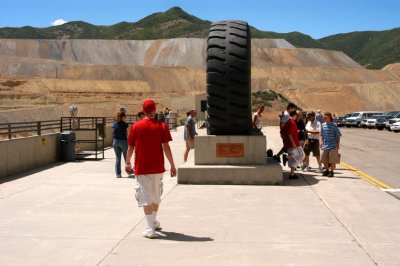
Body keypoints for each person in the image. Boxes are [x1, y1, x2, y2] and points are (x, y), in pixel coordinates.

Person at [125, 99, 176, 239]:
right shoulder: (162, 126)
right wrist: (172, 165)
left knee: (145, 196)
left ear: (144, 111)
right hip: (158, 167)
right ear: (154, 111)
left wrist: (127, 162)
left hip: (142, 168)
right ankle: (152, 222)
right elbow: (166, 147)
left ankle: (150, 227)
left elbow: (130, 147)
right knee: (155, 196)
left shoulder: (136, 126)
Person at [283, 110, 305, 179]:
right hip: (294, 144)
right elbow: (289, 134)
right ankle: (287, 157)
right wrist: (293, 143)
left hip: (289, 144)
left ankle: (292, 174)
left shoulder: (287, 122)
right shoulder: (292, 123)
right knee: (302, 155)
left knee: (295, 159)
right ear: (295, 115)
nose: (297, 117)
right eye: (297, 115)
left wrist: (285, 141)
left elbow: (282, 132)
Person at [320, 112, 342, 177]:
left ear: (329, 117)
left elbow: (338, 135)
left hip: (333, 145)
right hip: (325, 145)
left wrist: (337, 144)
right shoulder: (323, 125)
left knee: (332, 160)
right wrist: (321, 142)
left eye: (325, 117)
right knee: (324, 159)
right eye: (324, 117)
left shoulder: (334, 125)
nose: (324, 118)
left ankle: (332, 172)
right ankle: (327, 171)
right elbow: (321, 134)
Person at [112, 112, 130, 178]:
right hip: (123, 141)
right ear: (122, 117)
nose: (125, 118)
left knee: (118, 158)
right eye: (124, 117)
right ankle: (129, 171)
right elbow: (128, 133)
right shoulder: (125, 124)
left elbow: (113, 133)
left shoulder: (113, 124)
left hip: (115, 141)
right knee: (126, 157)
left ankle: (118, 174)